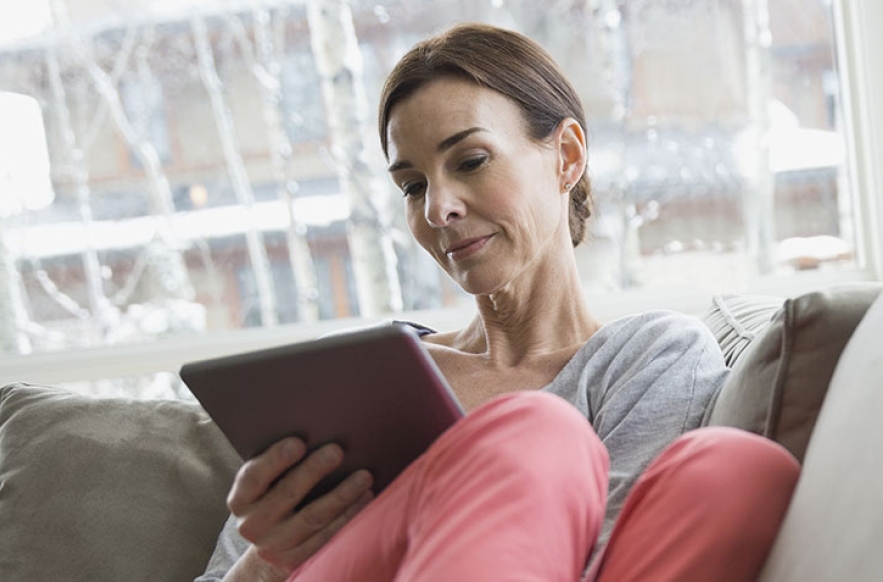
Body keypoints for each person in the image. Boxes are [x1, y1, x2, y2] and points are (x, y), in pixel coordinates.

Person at [197, 22, 799, 582]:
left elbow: (609, 558)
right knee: (537, 430)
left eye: (471, 161)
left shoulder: (650, 358)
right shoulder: (355, 376)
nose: (438, 209)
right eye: (413, 186)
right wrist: (268, 562)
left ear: (566, 156)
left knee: (739, 468)